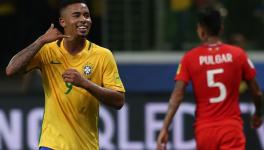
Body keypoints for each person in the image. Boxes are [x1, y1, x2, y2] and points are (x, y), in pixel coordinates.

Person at [6, 0, 125, 149]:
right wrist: (41, 40)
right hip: (51, 144)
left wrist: (85, 83)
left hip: (85, 145)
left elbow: (119, 100)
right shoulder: (47, 50)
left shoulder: (103, 55)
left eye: (87, 15)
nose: (83, 20)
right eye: (77, 15)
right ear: (63, 22)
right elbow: (11, 69)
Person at [156, 7, 263, 150]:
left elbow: (177, 95)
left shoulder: (190, 58)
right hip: (231, 128)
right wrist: (258, 114)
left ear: (201, 30)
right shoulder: (238, 55)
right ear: (221, 29)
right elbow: (257, 92)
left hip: (205, 131)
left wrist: (164, 127)